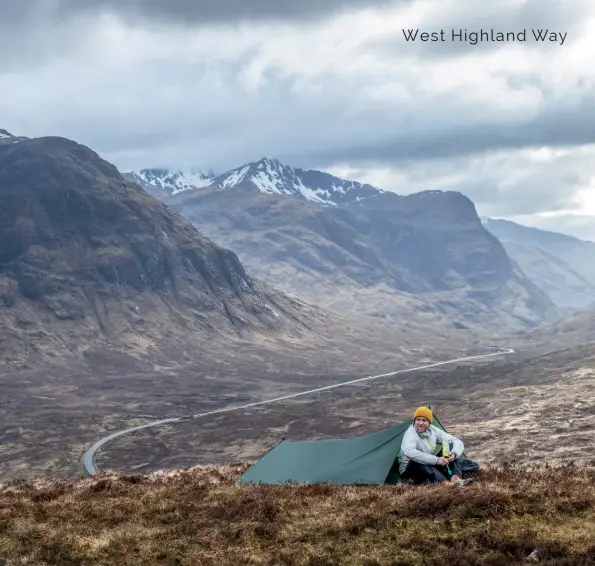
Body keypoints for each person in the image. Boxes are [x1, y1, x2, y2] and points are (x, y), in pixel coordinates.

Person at [399, 406, 473, 486]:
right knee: (418, 461)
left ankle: (456, 478)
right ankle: (446, 484)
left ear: (429, 422)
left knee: (451, 447)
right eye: (418, 420)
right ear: (414, 421)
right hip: (410, 468)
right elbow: (409, 452)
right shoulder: (410, 433)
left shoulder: (433, 430)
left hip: (429, 462)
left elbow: (455, 441)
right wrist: (436, 460)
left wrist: (454, 454)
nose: (420, 423)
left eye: (424, 420)